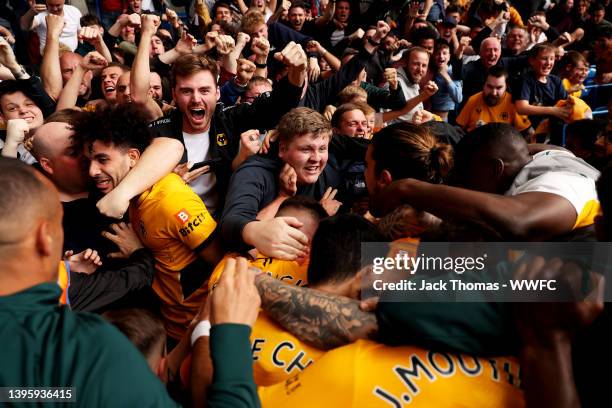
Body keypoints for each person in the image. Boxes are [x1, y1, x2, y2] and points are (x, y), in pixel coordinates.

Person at [77, 104, 223, 343]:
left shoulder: (169, 200)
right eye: (89, 161)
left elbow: (218, 260)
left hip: (194, 329)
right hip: (167, 323)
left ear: (133, 157)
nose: (93, 171)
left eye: (103, 159)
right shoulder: (134, 190)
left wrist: (138, 252)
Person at [149, 42, 307, 216]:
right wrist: (167, 185)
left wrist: (297, 70)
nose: (196, 99)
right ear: (174, 95)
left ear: (217, 94)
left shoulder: (228, 119)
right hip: (169, 226)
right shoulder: (158, 133)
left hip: (222, 224)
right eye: (187, 91)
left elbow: (276, 106)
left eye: (204, 91)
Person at [220, 107, 366, 258]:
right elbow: (231, 224)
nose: (316, 158)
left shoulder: (332, 170)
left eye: (322, 149)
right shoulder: (254, 172)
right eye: (306, 149)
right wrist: (314, 215)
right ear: (282, 148)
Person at [456, 67, 532, 136]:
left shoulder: (513, 103)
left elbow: (526, 132)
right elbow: (458, 128)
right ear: (484, 85)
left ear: (506, 87)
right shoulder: (473, 100)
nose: (493, 93)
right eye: (490, 87)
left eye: (499, 88)